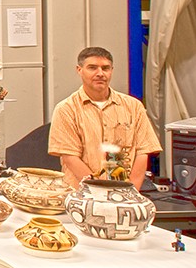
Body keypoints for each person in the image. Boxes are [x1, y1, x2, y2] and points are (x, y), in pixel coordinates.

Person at [49, 47, 161, 188]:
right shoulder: (66, 109)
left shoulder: (134, 107)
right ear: (79, 70)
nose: (100, 73)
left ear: (111, 71)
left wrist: (131, 193)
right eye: (92, 68)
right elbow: (70, 157)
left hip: (125, 195)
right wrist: (99, 191)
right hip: (81, 196)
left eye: (105, 68)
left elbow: (142, 152)